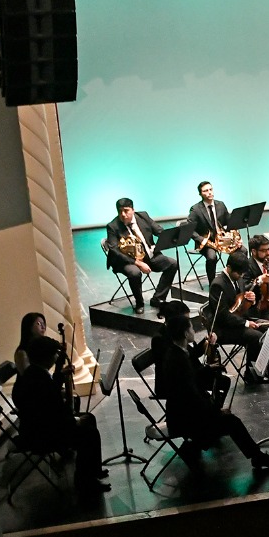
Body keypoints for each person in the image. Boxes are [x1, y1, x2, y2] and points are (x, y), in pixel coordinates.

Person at [157, 314, 269, 471]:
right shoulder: (179, 360)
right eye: (191, 328)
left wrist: (208, 369)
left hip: (182, 412)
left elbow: (192, 377)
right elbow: (191, 396)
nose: (193, 331)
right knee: (232, 422)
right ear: (185, 334)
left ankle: (194, 446)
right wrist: (215, 412)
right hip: (184, 419)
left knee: (224, 410)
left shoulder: (178, 351)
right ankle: (257, 457)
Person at [13, 336, 108, 494]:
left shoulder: (33, 373)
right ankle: (85, 482)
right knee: (90, 434)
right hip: (41, 435)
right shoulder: (40, 381)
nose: (57, 356)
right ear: (46, 358)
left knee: (89, 418)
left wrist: (59, 374)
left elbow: (49, 395)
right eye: (54, 354)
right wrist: (75, 421)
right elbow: (54, 416)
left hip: (37, 427)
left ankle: (93, 471)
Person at [105, 197, 180, 314]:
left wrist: (171, 238)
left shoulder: (143, 216)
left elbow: (159, 231)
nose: (123, 214)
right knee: (135, 273)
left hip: (148, 255)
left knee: (172, 264)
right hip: (126, 260)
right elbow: (115, 251)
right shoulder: (113, 226)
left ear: (133, 210)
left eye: (126, 211)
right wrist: (138, 263)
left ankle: (158, 298)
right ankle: (139, 303)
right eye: (120, 211)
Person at [207, 248, 269, 384]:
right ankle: (252, 374)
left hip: (239, 319)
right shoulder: (218, 285)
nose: (241, 276)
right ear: (229, 267)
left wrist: (251, 299)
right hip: (224, 328)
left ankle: (261, 368)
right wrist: (246, 324)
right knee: (256, 337)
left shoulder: (238, 278)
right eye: (238, 273)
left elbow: (240, 302)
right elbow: (223, 316)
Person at [188, 180, 239, 281]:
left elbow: (229, 223)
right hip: (207, 243)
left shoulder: (221, 205)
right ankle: (213, 284)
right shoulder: (195, 209)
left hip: (222, 240)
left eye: (210, 189)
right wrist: (201, 239)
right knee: (212, 258)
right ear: (200, 194)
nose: (209, 192)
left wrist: (235, 237)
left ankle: (231, 276)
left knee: (242, 251)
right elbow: (189, 229)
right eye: (205, 191)